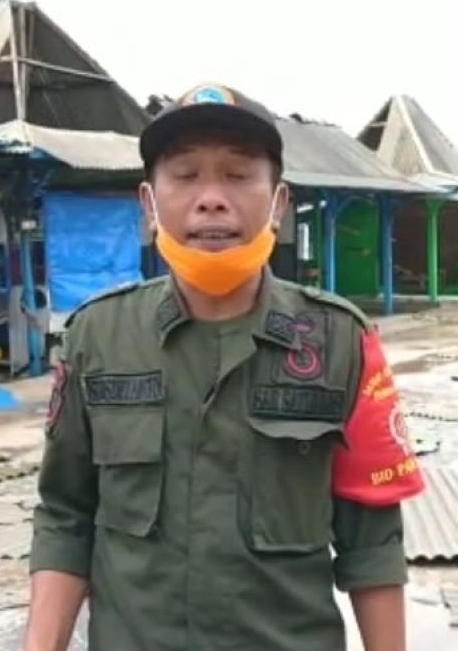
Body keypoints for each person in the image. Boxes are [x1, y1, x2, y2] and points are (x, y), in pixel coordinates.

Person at [25, 83, 425, 651]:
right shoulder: (98, 337)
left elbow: (373, 542)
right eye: (185, 175)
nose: (211, 198)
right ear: (147, 203)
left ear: (279, 203)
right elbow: (65, 517)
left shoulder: (340, 341)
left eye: (238, 175)